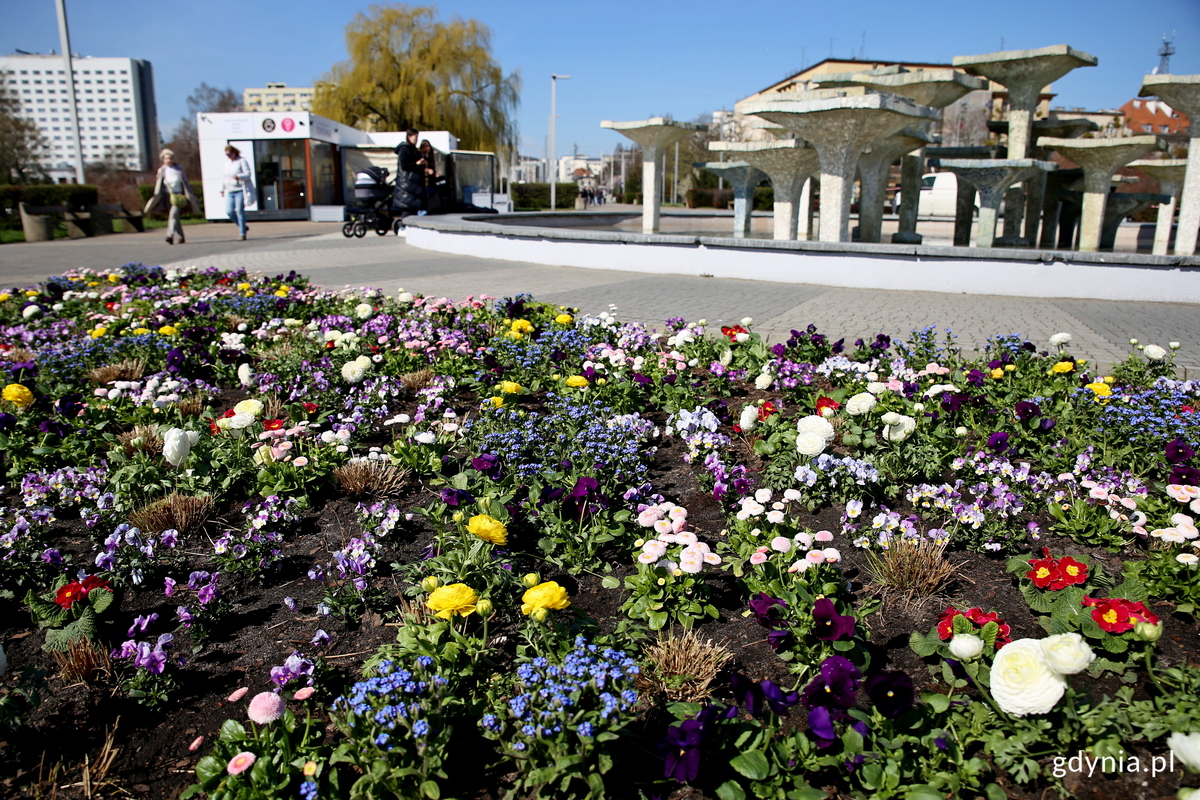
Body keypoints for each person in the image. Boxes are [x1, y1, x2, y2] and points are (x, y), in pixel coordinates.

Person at [144, 148, 199, 245]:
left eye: (170, 158)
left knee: (173, 215)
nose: (169, 160)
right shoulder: (162, 170)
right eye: (167, 158)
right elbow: (159, 184)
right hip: (167, 196)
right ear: (163, 160)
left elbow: (185, 182)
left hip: (179, 196)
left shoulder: (179, 169)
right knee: (175, 217)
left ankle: (169, 235)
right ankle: (181, 237)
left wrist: (189, 194)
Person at [220, 144, 253, 240]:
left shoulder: (241, 161)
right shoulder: (227, 163)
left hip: (240, 189)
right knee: (229, 211)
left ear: (234, 152)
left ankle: (242, 233)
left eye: (230, 154)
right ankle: (242, 225)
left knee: (239, 211)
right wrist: (222, 189)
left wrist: (239, 177)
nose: (229, 156)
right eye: (227, 155)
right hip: (230, 190)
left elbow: (248, 174)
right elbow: (224, 177)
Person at [393, 129, 425, 217]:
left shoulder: (413, 150)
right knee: (408, 209)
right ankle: (403, 228)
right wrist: (416, 164)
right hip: (407, 185)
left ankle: (407, 228)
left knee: (412, 209)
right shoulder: (405, 149)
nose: (416, 139)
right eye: (415, 137)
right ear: (409, 137)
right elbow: (404, 165)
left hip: (413, 185)